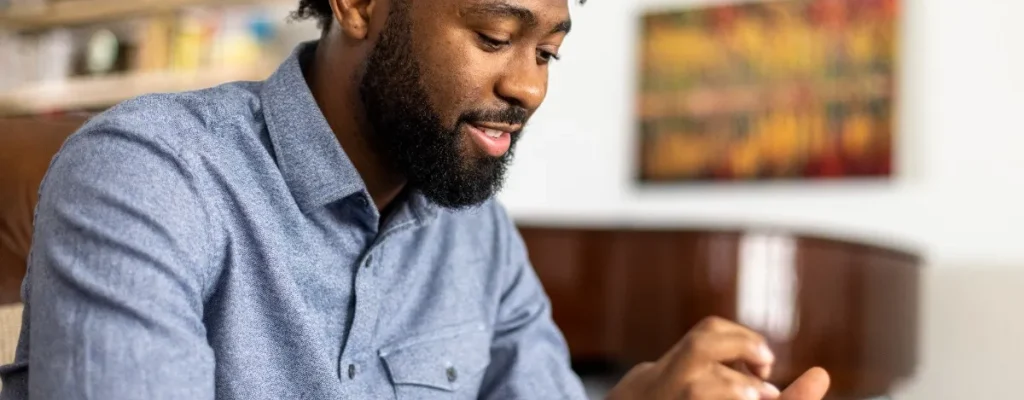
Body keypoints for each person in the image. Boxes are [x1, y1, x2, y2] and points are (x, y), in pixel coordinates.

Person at [0, 0, 831, 399]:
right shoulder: (149, 175)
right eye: (495, 38)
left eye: (549, 52)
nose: (529, 88)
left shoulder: (478, 240)